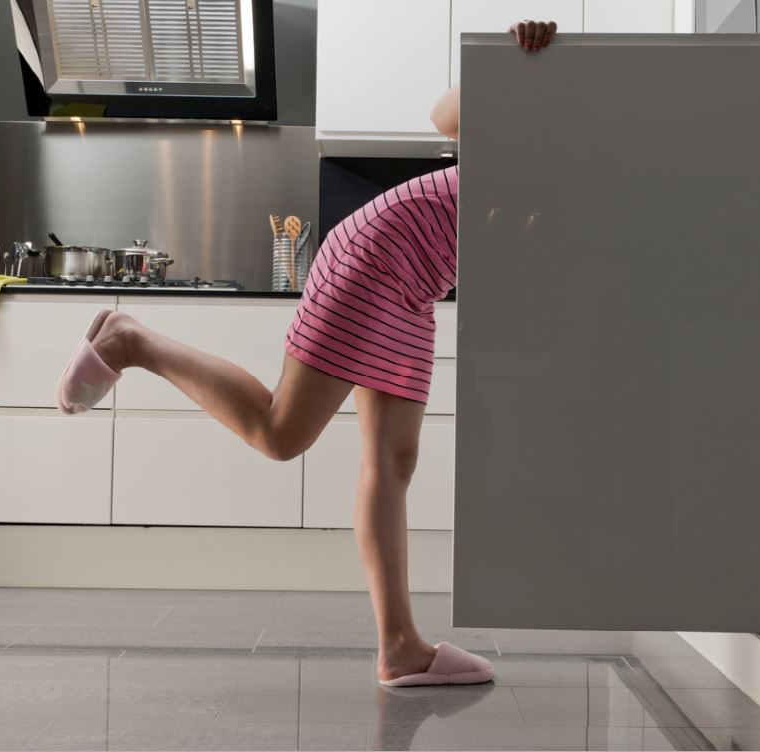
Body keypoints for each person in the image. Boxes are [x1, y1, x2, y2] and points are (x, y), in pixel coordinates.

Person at [56, 19, 558, 687]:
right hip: (378, 252)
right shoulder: (538, 99)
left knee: (393, 459)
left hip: (417, 284)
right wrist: (513, 59)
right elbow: (443, 115)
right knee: (280, 432)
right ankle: (133, 341)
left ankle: (400, 646)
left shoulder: (584, 157)